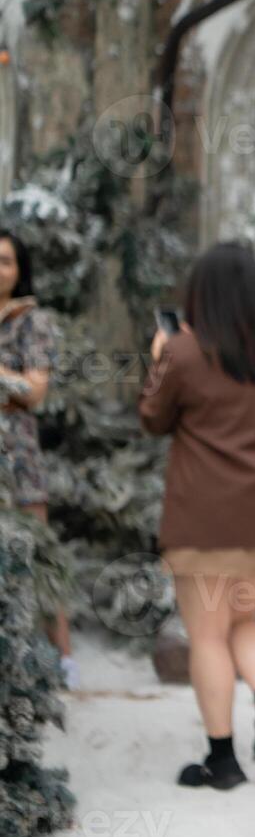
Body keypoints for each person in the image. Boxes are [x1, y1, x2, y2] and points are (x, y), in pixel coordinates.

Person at [139, 242, 255, 791]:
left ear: (199, 295)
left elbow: (153, 419)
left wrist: (162, 354)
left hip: (205, 520)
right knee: (243, 620)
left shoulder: (184, 354)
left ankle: (223, 761)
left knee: (207, 635)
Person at [0, 229, 75, 688]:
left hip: (16, 450)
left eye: (6, 261)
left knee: (39, 555)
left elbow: (35, 390)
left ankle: (62, 661)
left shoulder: (32, 321)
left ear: (19, 271)